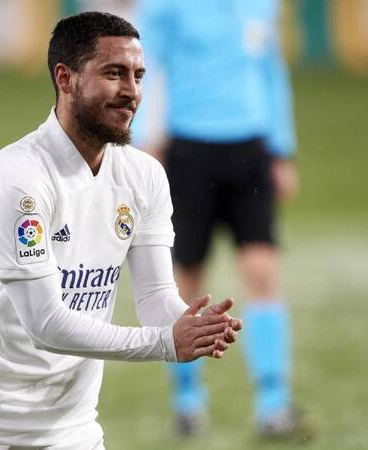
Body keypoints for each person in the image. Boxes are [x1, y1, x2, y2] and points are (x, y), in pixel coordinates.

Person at [0, 11, 242, 450]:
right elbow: (45, 322)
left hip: (72, 431)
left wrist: (187, 324)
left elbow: (155, 296)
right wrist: (164, 342)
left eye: (138, 76)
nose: (131, 92)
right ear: (65, 79)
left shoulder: (144, 175)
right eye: (114, 73)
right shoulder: (20, 178)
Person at [132, 0, 312, 440]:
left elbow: (270, 71)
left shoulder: (262, 5)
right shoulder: (164, 6)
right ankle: (187, 399)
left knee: (262, 272)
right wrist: (145, 143)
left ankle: (273, 404)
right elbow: (143, 70)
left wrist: (282, 149)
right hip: (190, 153)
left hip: (251, 153)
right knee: (188, 280)